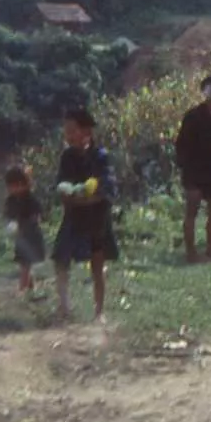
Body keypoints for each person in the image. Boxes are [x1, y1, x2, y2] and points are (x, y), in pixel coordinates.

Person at [51, 107, 120, 326]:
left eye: (72, 130)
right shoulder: (67, 156)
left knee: (97, 265)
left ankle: (99, 312)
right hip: (74, 215)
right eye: (67, 131)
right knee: (60, 259)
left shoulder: (100, 156)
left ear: (86, 132)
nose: (68, 135)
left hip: (97, 217)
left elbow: (106, 188)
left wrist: (85, 198)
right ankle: (64, 307)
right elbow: (62, 185)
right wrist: (69, 196)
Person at [175, 73, 211, 264]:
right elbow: (181, 144)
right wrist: (184, 166)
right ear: (204, 93)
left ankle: (210, 249)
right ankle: (190, 253)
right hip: (194, 168)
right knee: (192, 209)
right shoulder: (192, 116)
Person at [2, 166, 45, 294]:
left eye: (17, 185)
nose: (13, 189)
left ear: (24, 184)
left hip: (31, 236)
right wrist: (11, 225)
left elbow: (37, 216)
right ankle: (31, 288)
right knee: (24, 264)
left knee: (25, 264)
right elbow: (8, 215)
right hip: (20, 238)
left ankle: (22, 290)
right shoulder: (11, 200)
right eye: (11, 186)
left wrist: (26, 224)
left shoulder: (30, 199)